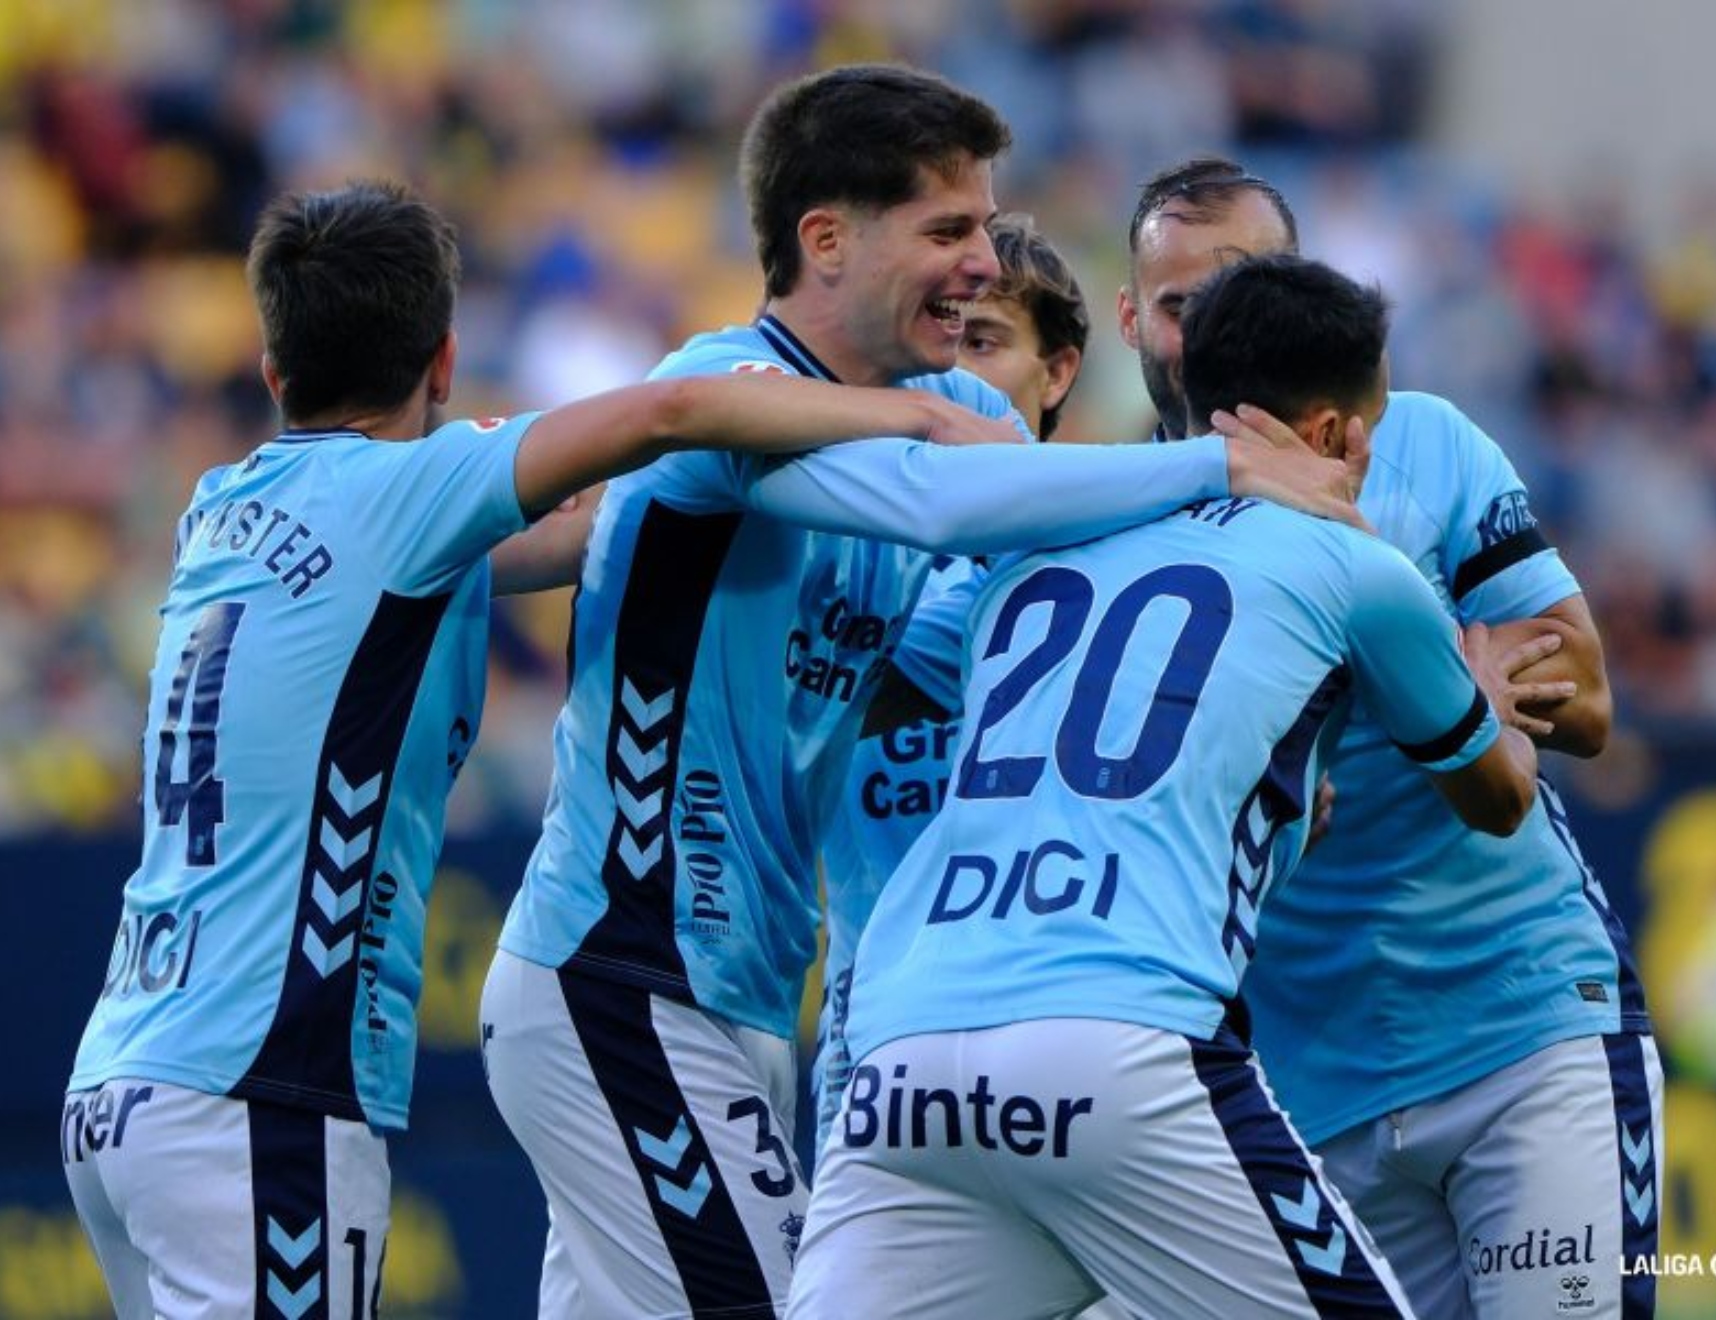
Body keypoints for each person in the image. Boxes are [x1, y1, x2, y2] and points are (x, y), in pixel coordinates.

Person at [56, 177, 1036, 1320]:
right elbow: (667, 419)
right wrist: (926, 416)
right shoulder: (412, 491)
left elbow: (584, 532)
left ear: (274, 372)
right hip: (262, 1082)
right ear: (443, 360)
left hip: (121, 1081)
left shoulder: (225, 506)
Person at [477, 65, 1361, 1319]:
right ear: (826, 239)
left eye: (984, 231)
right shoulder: (736, 392)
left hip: (739, 985)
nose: (979, 265)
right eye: (947, 232)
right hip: (624, 967)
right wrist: (1227, 468)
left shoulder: (942, 404)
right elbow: (952, 501)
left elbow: (1055, 538)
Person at [788, 253, 1556, 1320]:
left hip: (903, 1054)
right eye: (1368, 431)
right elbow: (1497, 799)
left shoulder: (1037, 551)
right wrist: (1487, 699)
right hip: (1118, 1041)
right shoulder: (1359, 565)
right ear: (1334, 434)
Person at [1119, 157, 1663, 1319]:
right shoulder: (1120, 503)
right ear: (1129, 319)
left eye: (1242, 286)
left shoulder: (1417, 440)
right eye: (1179, 304)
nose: (1212, 327)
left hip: (1520, 1027)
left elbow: (1589, 695)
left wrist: (1414, 659)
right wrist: (1430, 677)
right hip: (1307, 1077)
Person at [812, 212, 1090, 1167]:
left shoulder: (1096, 559)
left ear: (1057, 372)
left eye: (987, 341)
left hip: (1060, 1022)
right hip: (875, 1013)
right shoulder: (852, 547)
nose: (957, 376)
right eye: (947, 340)